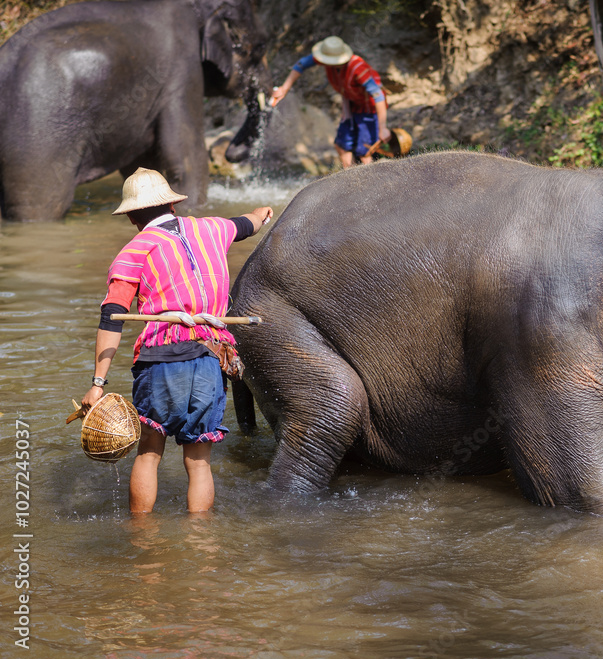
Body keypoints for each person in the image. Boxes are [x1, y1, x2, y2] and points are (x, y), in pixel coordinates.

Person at [80, 167, 273, 514]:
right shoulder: (214, 228)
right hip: (208, 356)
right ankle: (201, 544)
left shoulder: (133, 251)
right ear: (172, 204)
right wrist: (263, 214)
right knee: (199, 463)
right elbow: (249, 222)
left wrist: (97, 383)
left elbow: (112, 317)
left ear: (132, 218)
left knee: (150, 454)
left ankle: (142, 541)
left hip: (160, 359)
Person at [270, 35, 391, 168]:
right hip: (351, 106)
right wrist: (284, 88)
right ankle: (351, 179)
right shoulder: (328, 61)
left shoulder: (358, 68)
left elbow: (378, 95)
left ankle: (369, 183)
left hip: (369, 109)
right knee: (341, 145)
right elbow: (301, 64)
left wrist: (383, 127)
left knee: (365, 151)